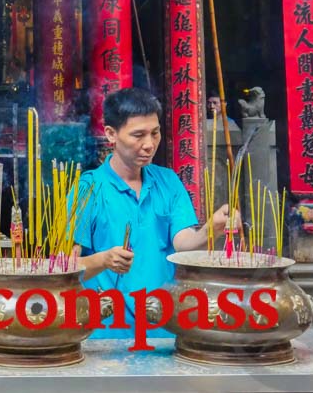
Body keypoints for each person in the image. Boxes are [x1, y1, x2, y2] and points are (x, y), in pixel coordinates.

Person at [73, 88, 230, 338]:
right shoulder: (89, 188)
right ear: (111, 134)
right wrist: (103, 260)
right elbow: (64, 268)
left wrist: (212, 228)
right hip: (107, 333)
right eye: (138, 135)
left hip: (163, 328)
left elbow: (182, 243)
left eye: (155, 133)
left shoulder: (168, 181)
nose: (149, 144)